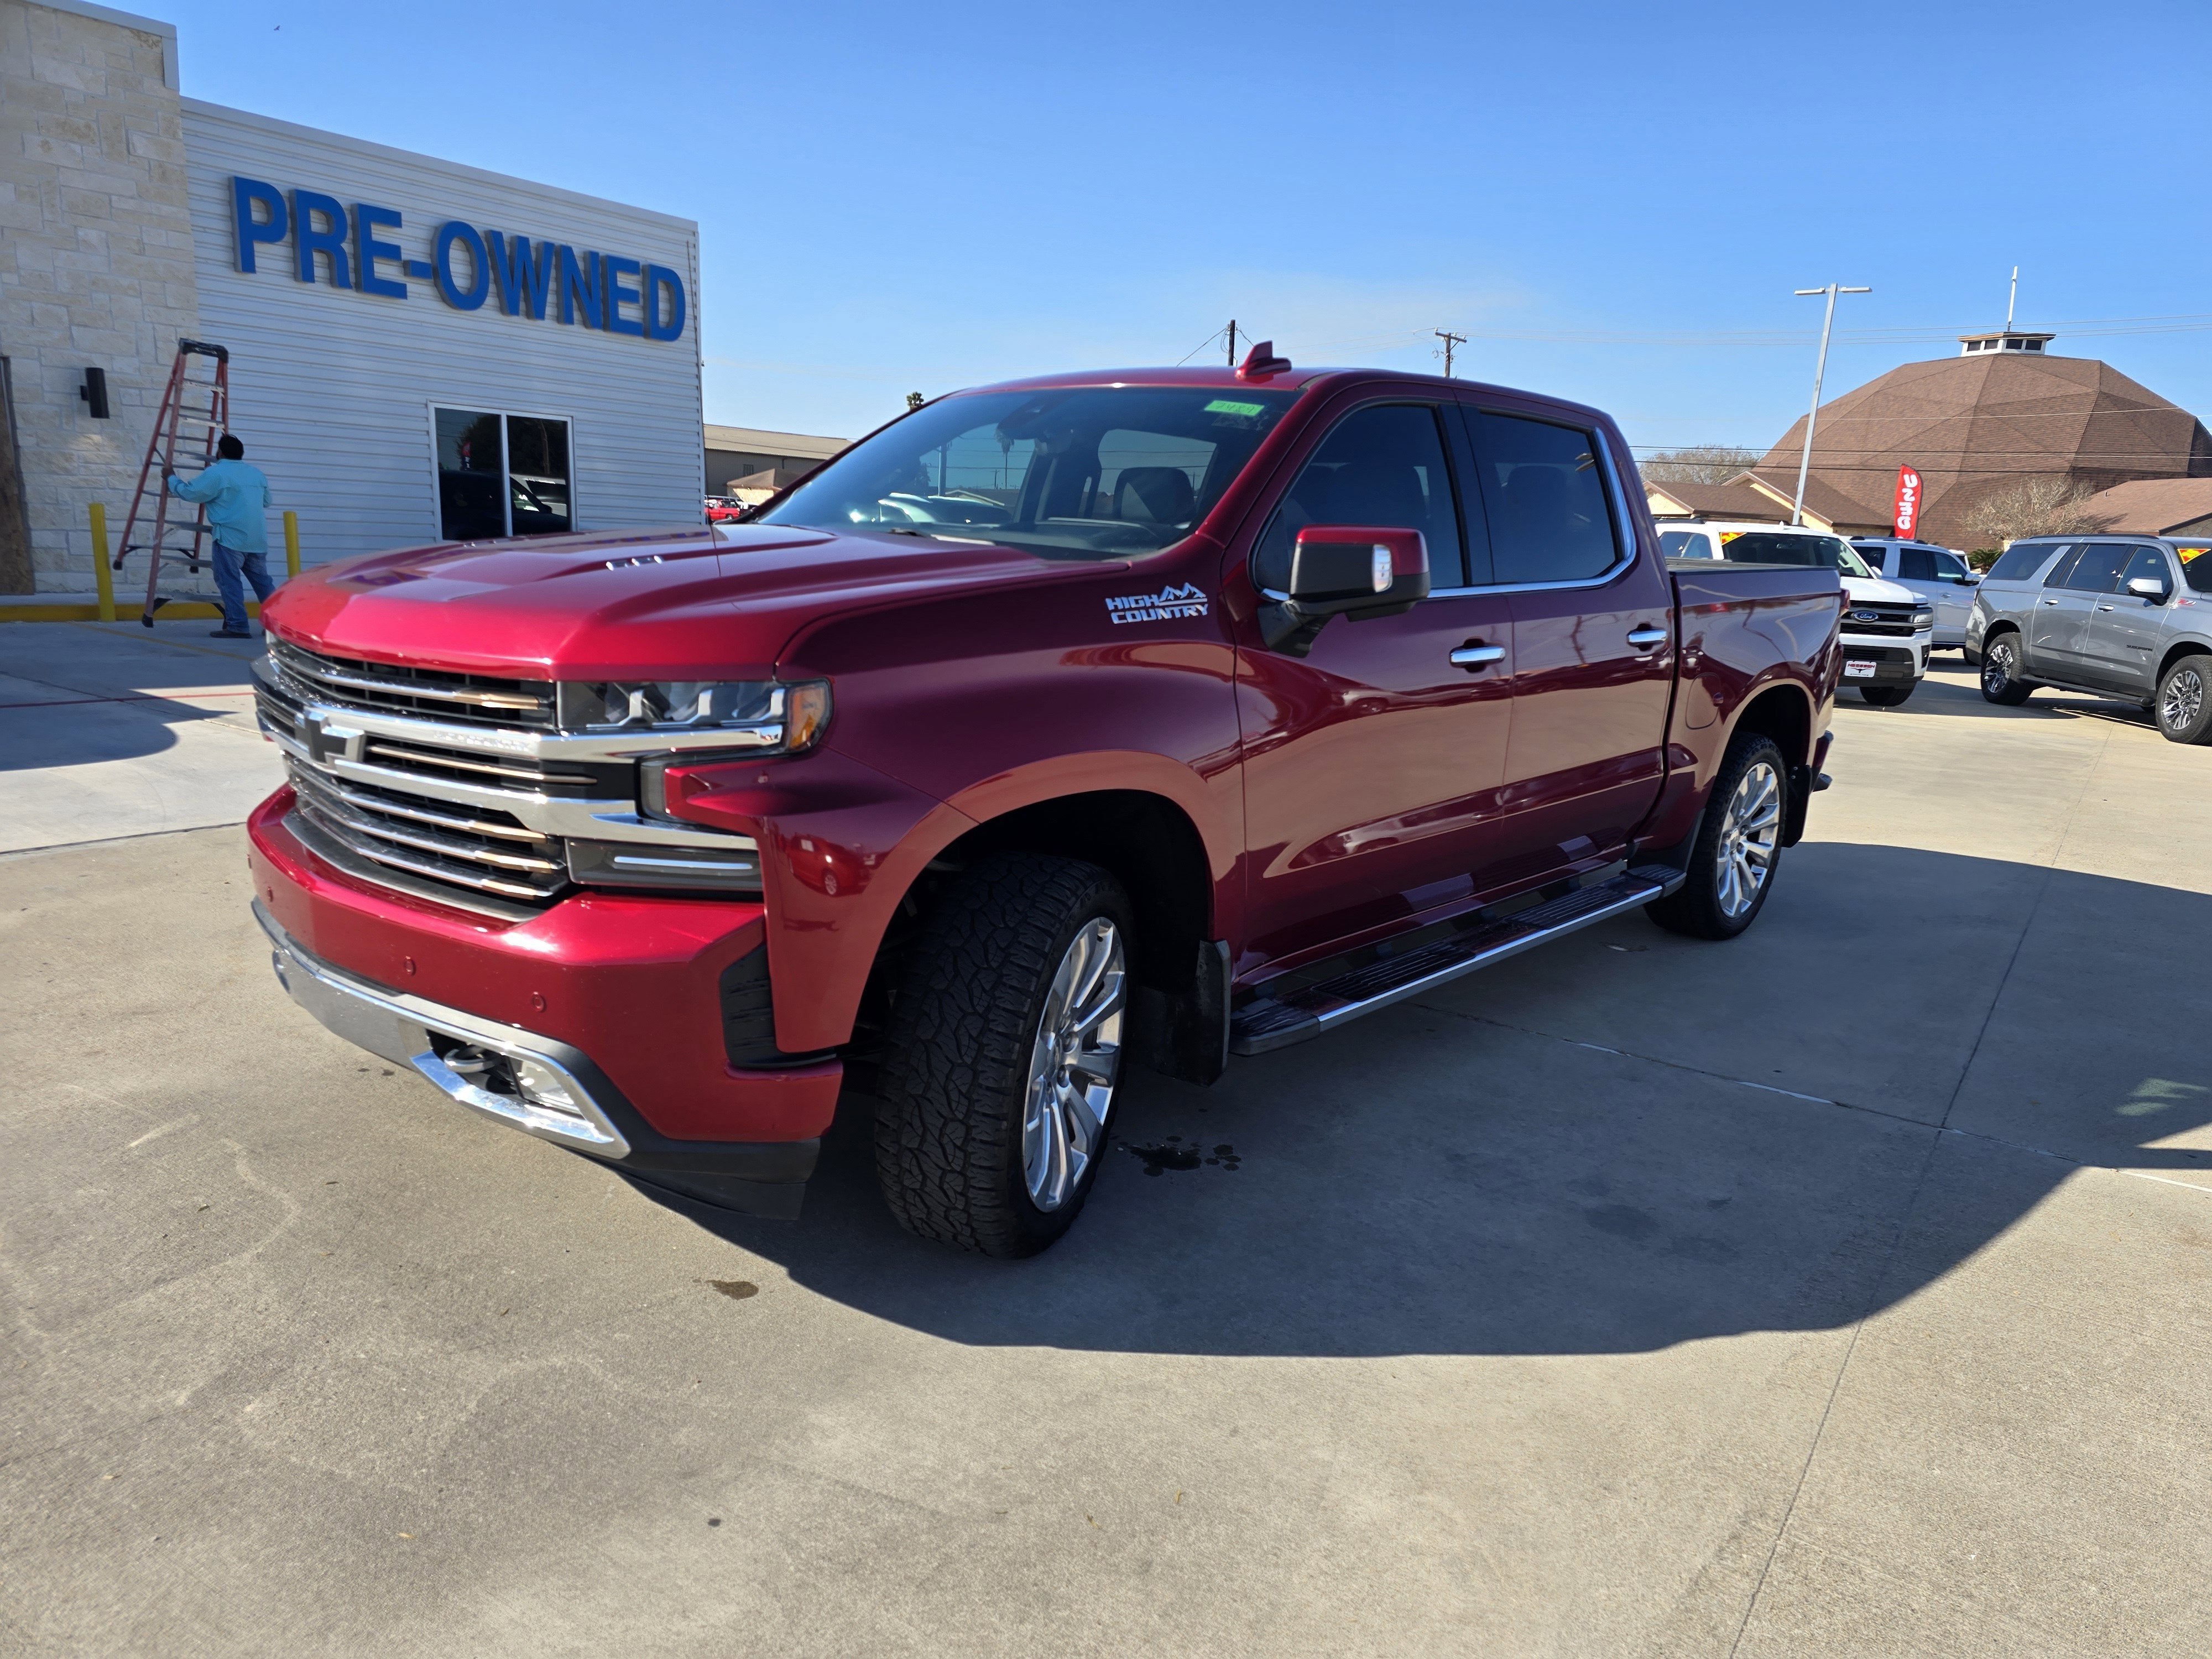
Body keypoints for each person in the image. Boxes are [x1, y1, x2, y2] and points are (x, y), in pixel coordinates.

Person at [165, 433, 274, 638]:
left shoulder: (217, 474)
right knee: (264, 584)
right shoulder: (257, 474)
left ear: (220, 453)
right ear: (241, 453)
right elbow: (267, 502)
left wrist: (171, 478)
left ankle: (238, 626)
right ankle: (278, 627)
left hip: (229, 538)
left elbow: (191, 493)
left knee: (230, 583)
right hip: (257, 539)